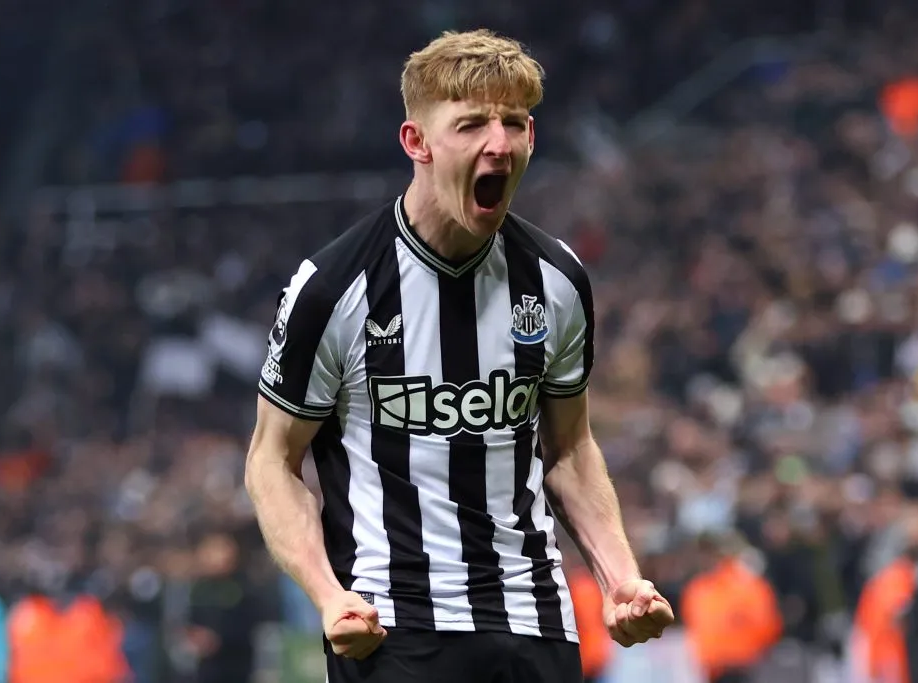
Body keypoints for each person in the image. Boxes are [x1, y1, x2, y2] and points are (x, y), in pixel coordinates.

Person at [243, 28, 674, 683]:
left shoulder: (557, 281)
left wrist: (620, 578)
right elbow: (272, 460)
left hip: (535, 621)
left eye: (514, 124)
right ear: (416, 142)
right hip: (391, 627)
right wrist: (328, 595)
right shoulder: (334, 288)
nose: (498, 144)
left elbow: (569, 449)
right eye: (471, 124)